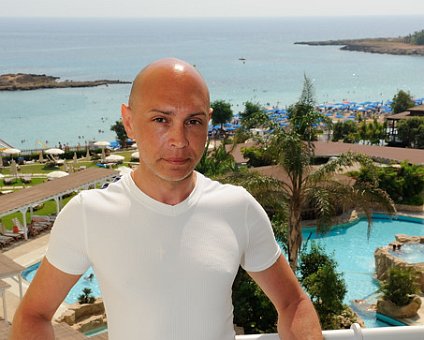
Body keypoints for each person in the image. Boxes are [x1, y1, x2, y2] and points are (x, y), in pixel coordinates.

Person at [11, 58, 322, 339]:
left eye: (194, 121)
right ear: (129, 121)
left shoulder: (236, 208)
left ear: (208, 122)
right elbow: (33, 316)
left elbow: (293, 303)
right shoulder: (88, 214)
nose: (179, 140)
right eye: (161, 119)